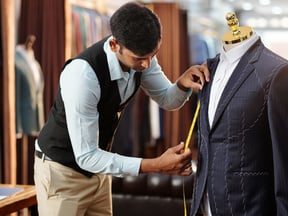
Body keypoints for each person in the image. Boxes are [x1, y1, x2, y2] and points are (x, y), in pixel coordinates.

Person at [33, 2, 210, 216]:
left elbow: (167, 100)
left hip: (98, 172)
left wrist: (182, 83)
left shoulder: (143, 57)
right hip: (62, 174)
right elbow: (86, 156)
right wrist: (155, 165)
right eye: (139, 58)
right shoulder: (82, 76)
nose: (146, 65)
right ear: (115, 44)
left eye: (151, 55)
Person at [190, 12, 288, 216]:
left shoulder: (276, 72)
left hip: (249, 207)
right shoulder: (209, 69)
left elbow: (284, 158)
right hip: (204, 206)